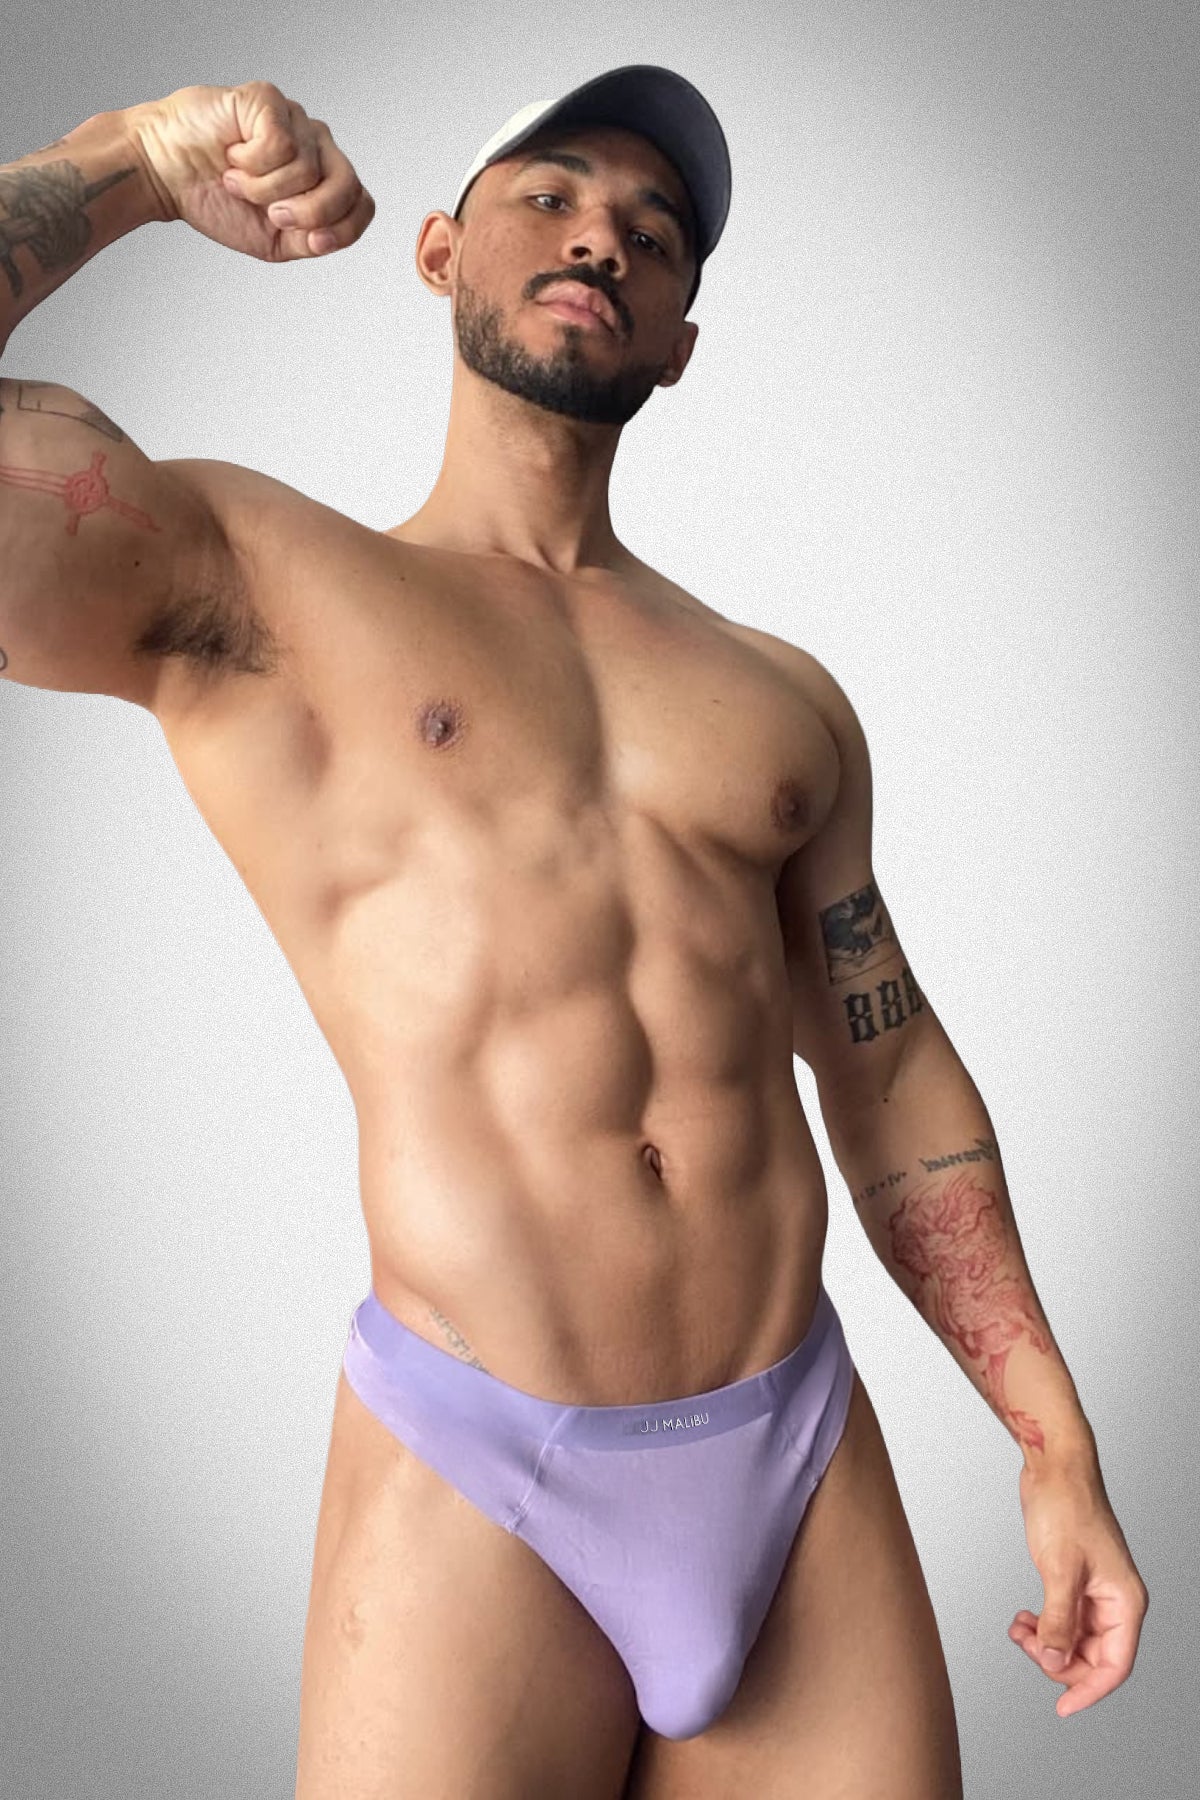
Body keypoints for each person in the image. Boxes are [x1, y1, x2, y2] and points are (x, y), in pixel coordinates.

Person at [0, 63, 1147, 1799]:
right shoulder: (254, 580)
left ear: (679, 340)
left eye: (653, 232)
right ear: (439, 252)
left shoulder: (782, 701)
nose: (602, 236)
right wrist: (136, 163)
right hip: (478, 1453)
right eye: (549, 195)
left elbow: (887, 1065)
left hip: (795, 1445)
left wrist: (1052, 1441)